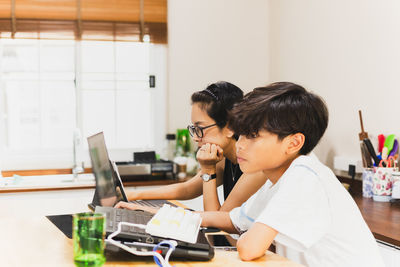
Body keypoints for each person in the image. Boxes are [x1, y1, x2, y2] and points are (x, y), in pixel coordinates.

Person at [200, 82, 384, 266]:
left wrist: (248, 237)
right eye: (240, 134)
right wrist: (180, 217)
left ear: (294, 143)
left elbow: (249, 248)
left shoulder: (305, 175)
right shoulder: (277, 179)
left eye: (253, 135)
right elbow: (233, 220)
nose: (239, 144)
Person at [117, 81, 267, 212]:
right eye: (194, 129)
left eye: (200, 129)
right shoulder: (225, 157)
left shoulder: (255, 167)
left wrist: (208, 170)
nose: (195, 137)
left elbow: (217, 220)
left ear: (230, 127)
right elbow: (187, 189)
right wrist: (132, 195)